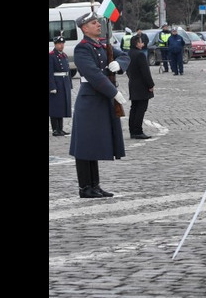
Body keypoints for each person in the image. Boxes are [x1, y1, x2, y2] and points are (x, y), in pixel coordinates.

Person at [69, 11, 130, 199]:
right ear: (84, 28)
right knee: (85, 145)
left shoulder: (103, 44)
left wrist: (118, 64)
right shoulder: (82, 49)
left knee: (93, 144)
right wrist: (115, 93)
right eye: (94, 23)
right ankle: (85, 187)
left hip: (101, 100)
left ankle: (95, 185)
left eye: (98, 22)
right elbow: (94, 75)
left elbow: (125, 56)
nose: (98, 25)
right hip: (89, 100)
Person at [126, 31, 155, 139]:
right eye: (141, 42)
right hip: (141, 85)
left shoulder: (129, 53)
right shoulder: (140, 55)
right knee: (140, 109)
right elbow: (145, 72)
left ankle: (132, 130)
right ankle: (138, 131)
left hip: (133, 83)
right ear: (136, 43)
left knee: (134, 108)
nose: (142, 44)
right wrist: (150, 85)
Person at [49, 36, 73, 136]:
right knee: (55, 107)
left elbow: (68, 70)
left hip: (64, 83)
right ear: (55, 44)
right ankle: (55, 129)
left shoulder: (64, 55)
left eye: (62, 43)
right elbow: (50, 72)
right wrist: (52, 86)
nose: (61, 45)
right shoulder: (51, 56)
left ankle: (60, 128)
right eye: (59, 43)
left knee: (62, 106)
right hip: (56, 82)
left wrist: (69, 84)